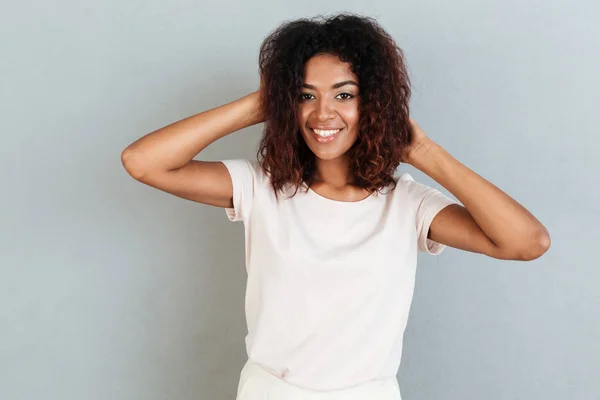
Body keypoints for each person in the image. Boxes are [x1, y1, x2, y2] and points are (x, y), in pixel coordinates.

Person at [121, 12, 550, 400]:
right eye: (306, 95)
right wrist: (262, 102)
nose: (323, 113)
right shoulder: (261, 187)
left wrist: (424, 153)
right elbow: (142, 162)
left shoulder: (406, 203)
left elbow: (527, 242)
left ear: (373, 104)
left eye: (344, 95)